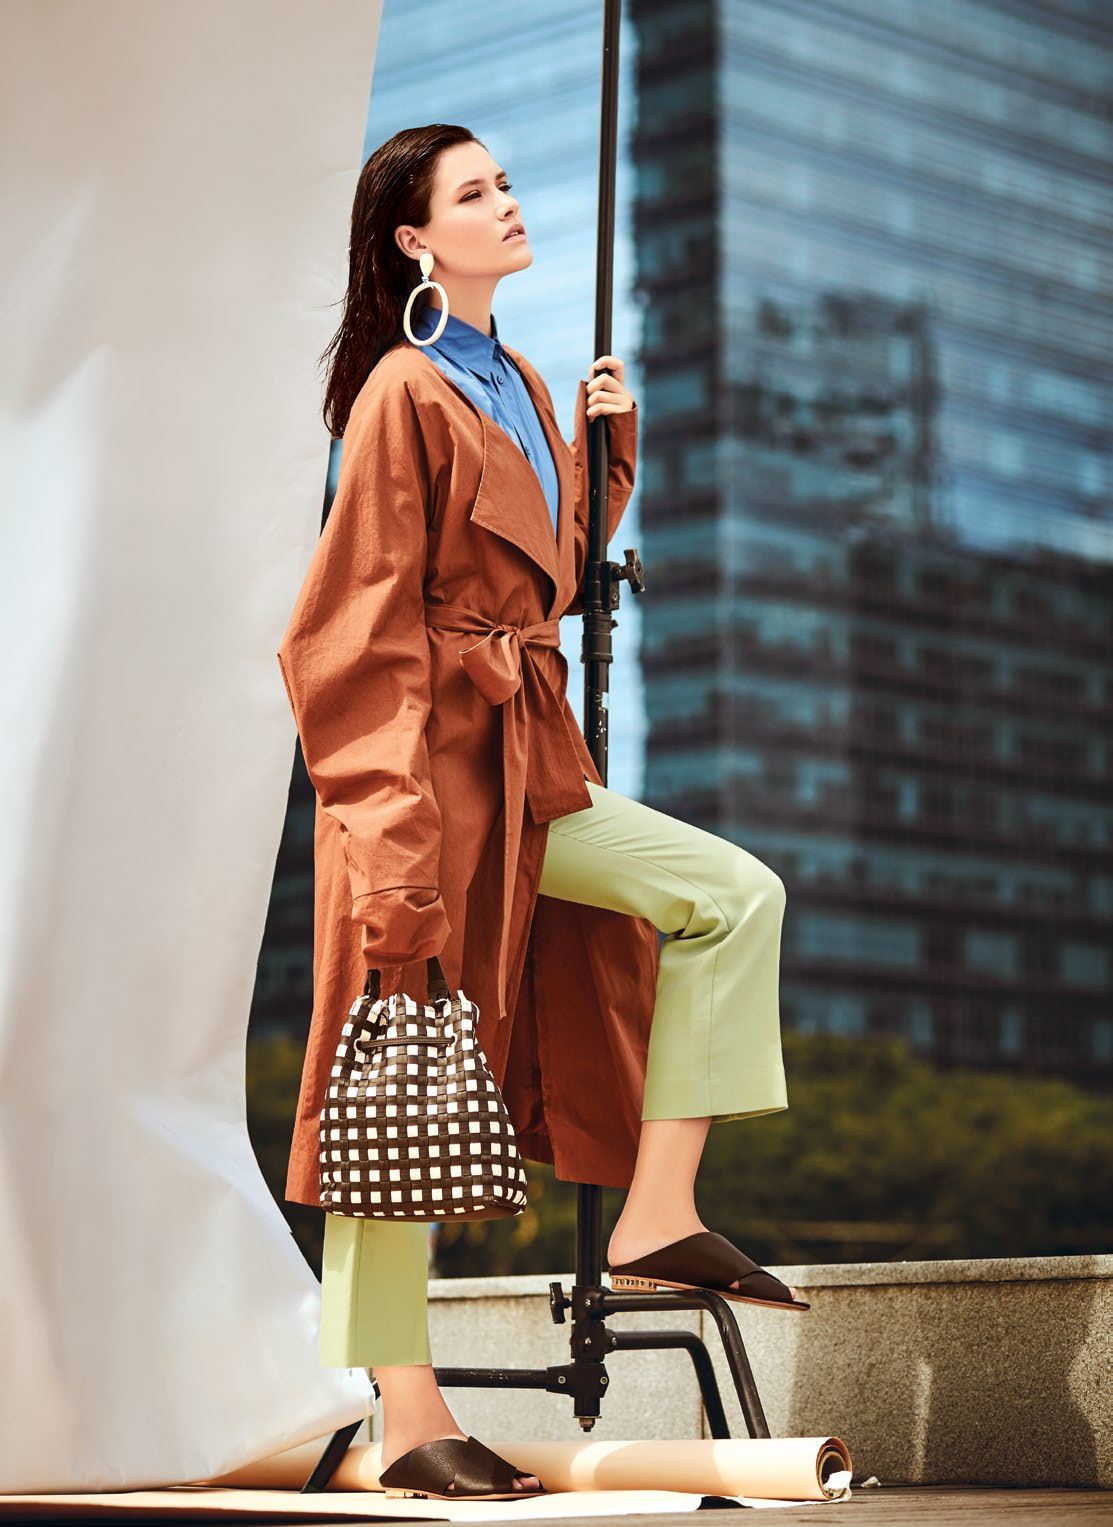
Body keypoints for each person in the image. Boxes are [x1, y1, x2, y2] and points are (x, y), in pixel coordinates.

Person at [275, 124, 804, 1504]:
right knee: (400, 1073)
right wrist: (392, 851)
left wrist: (604, 453)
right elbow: (350, 635)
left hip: (533, 767)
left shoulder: (514, 378)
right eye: (473, 193)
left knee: (730, 894)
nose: (505, 204)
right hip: (421, 784)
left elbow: (546, 586)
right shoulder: (402, 388)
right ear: (412, 239)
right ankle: (405, 1411)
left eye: (506, 184)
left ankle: (660, 1210)